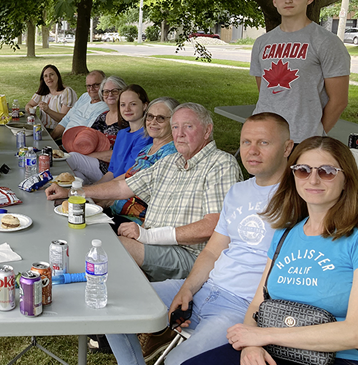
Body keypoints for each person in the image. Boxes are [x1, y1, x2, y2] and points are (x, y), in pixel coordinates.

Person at [106, 112, 293, 365]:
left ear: (287, 148)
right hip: (207, 288)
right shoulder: (239, 191)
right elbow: (213, 251)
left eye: (264, 142)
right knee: (110, 305)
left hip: (241, 307)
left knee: (177, 362)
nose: (253, 151)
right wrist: (187, 289)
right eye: (246, 142)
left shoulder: (299, 197)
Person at [185, 136, 358, 365]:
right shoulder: (285, 235)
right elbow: (257, 304)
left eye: (327, 171)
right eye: (303, 170)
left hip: (334, 357)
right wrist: (251, 345)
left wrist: (263, 335)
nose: (313, 179)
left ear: (346, 179)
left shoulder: (353, 238)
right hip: (270, 348)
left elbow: (354, 332)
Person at [46, 102, 242, 281]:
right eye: (175, 127)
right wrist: (75, 192)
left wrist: (149, 236)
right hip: (152, 243)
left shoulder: (221, 164)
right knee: (92, 238)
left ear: (207, 130)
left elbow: (212, 225)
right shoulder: (170, 162)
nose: (179, 133)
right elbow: (122, 187)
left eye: (188, 127)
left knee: (114, 248)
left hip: (189, 254)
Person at [251, 0, 350, 144]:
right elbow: (264, 92)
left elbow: (339, 101)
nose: (288, 0)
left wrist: (315, 133)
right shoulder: (261, 43)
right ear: (274, 1)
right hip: (263, 136)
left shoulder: (326, 42)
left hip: (304, 139)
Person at [110, 97, 179, 222]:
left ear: (174, 122)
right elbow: (127, 176)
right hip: (117, 211)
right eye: (150, 116)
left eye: (161, 118)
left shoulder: (171, 154)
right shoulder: (147, 149)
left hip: (135, 222)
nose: (153, 122)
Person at [63, 76, 129, 183]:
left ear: (123, 92)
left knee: (72, 159)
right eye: (106, 92)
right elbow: (90, 139)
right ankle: (86, 195)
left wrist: (86, 155)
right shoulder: (102, 117)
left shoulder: (127, 119)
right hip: (95, 164)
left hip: (111, 170)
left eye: (115, 91)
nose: (110, 95)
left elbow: (119, 154)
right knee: (77, 177)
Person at [49, 70, 113, 140]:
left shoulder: (105, 107)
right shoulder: (85, 96)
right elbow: (66, 120)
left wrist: (62, 148)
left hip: (77, 147)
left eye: (96, 85)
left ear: (104, 85)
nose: (91, 89)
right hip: (64, 142)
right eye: (88, 86)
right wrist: (50, 139)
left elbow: (87, 135)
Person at [25, 64, 77, 131]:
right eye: (45, 76)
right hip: (43, 130)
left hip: (59, 133)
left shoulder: (67, 92)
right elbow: (28, 105)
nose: (49, 78)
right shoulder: (42, 92)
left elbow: (65, 119)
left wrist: (48, 110)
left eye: (51, 74)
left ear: (58, 76)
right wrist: (31, 109)